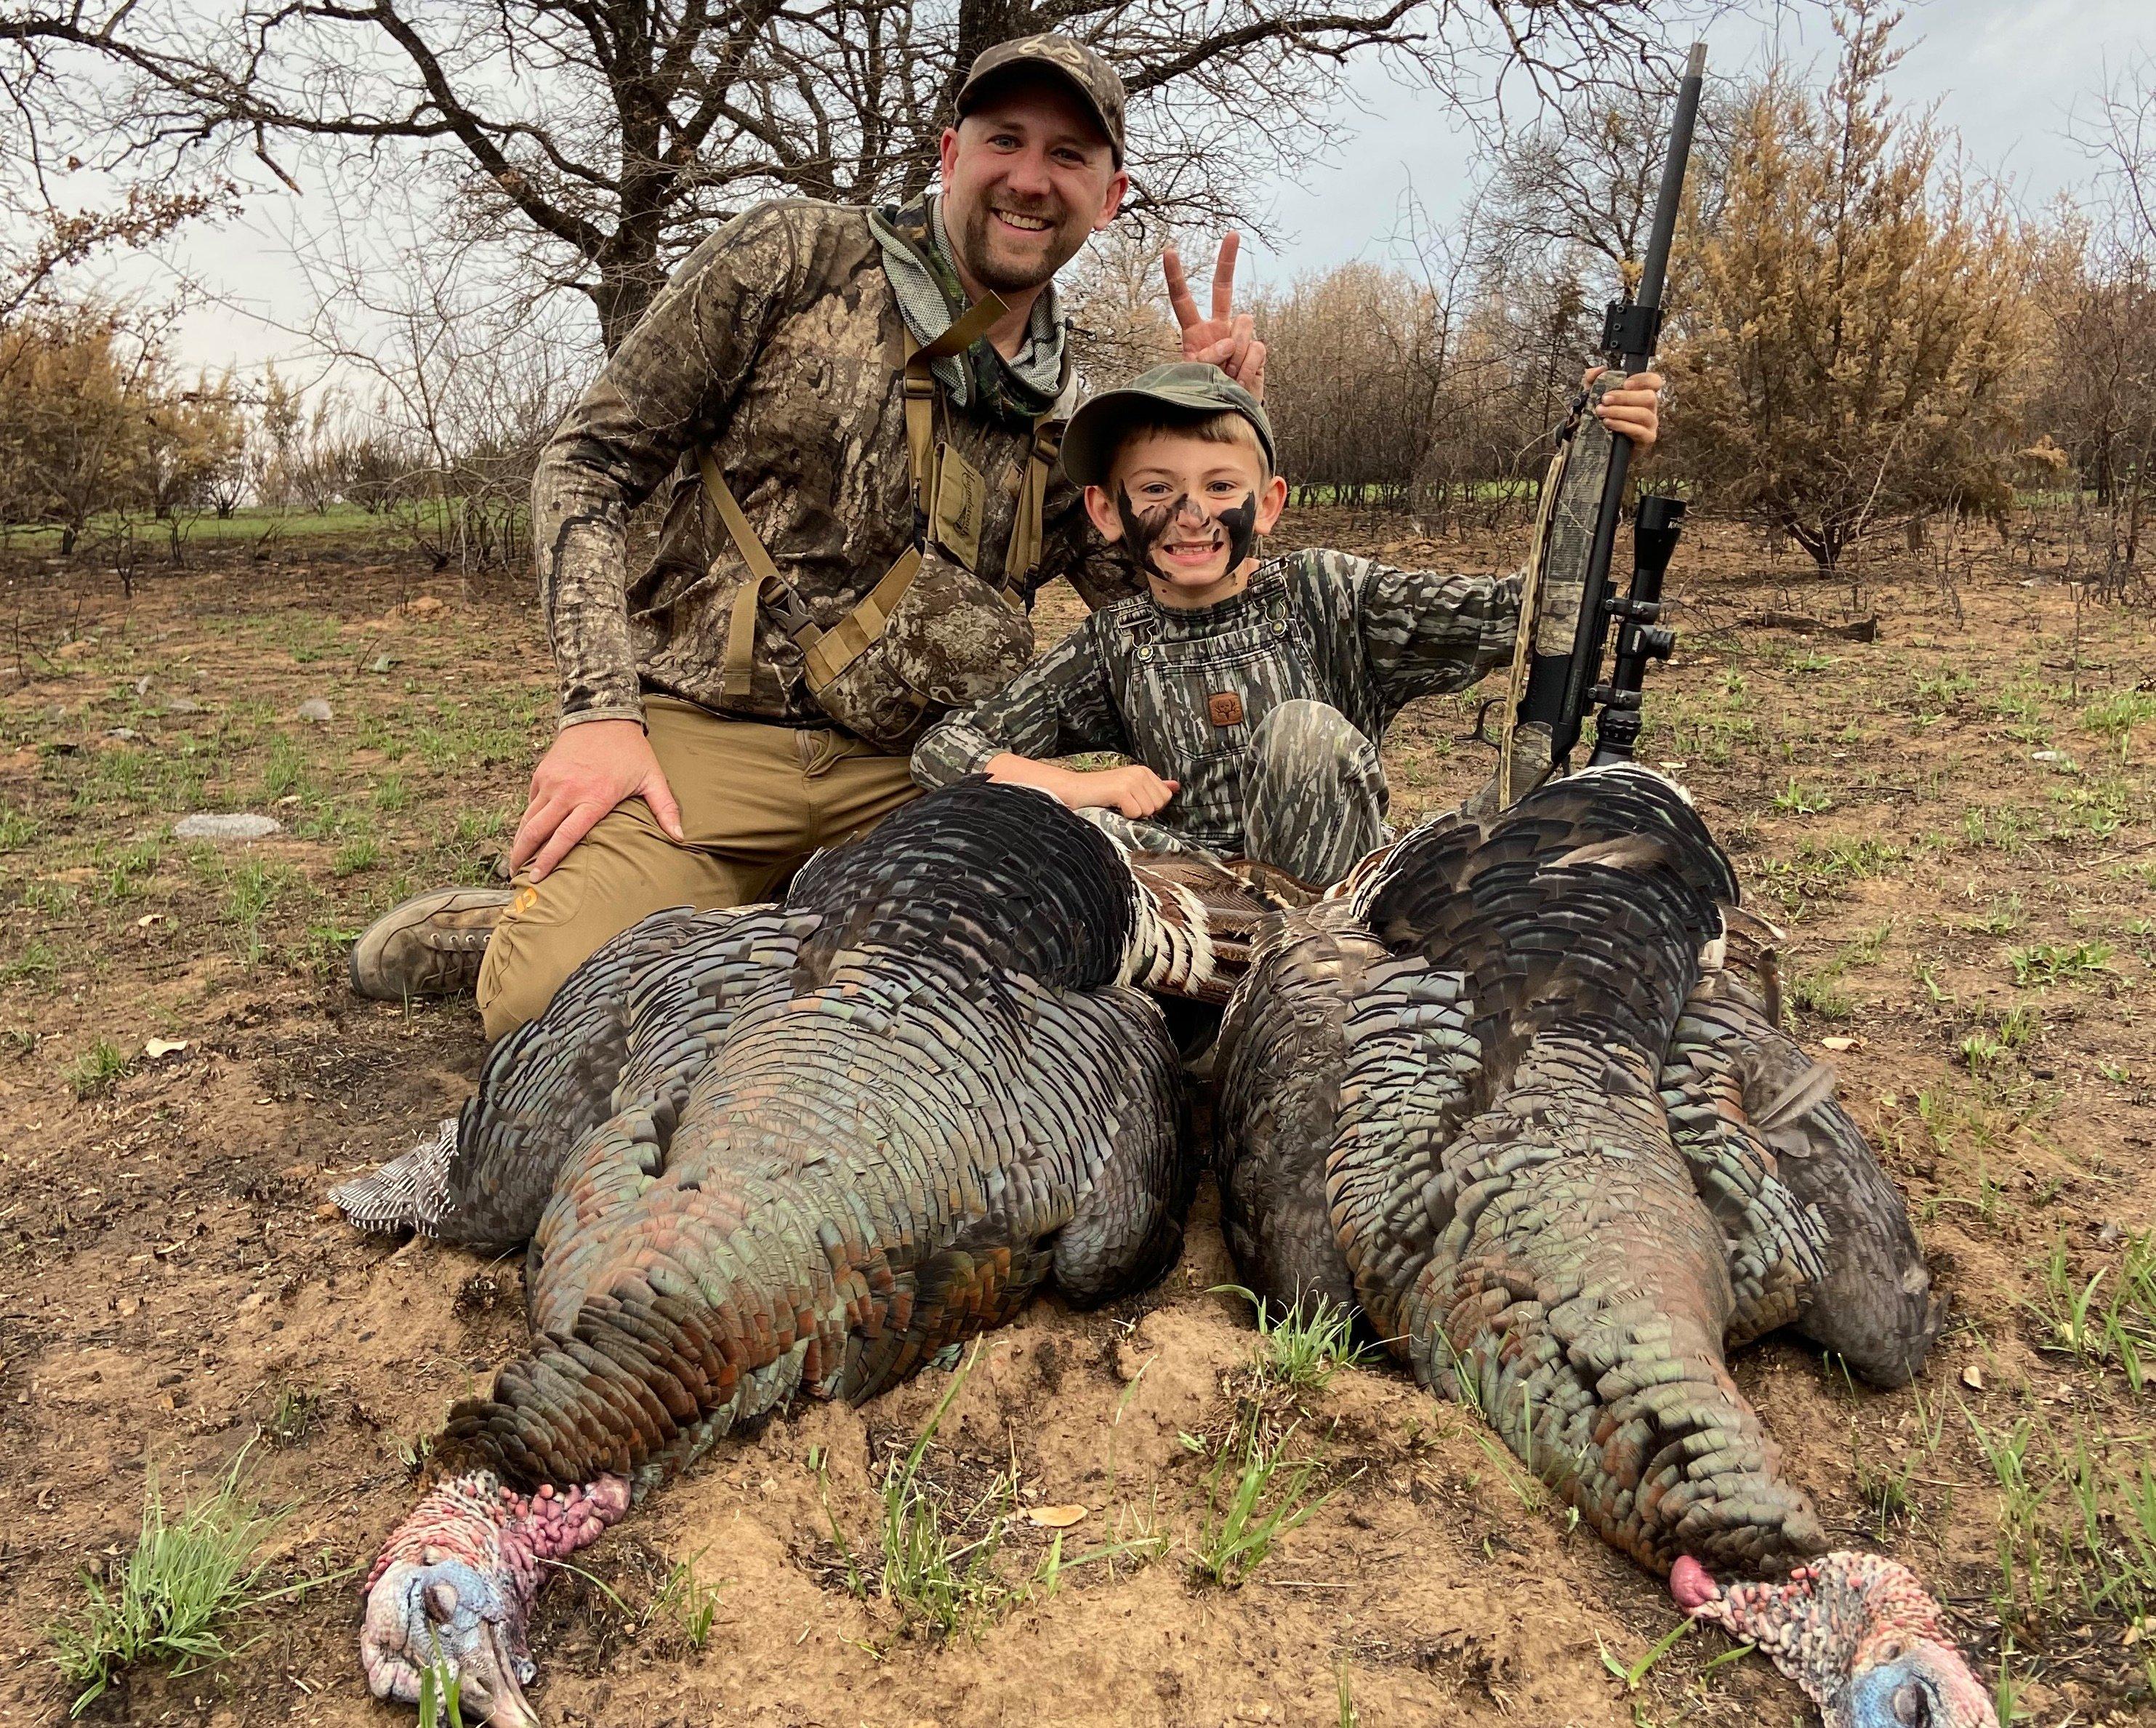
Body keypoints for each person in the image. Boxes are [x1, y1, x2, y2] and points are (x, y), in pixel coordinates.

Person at [347, 33, 1267, 1040]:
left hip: (926, 776)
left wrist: (1206, 440)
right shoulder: (792, 257)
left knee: (1096, 992)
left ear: (1112, 192)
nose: (1030, 179)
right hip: (709, 739)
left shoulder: (1068, 417)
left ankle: (705, 923)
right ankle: (594, 922)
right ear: (951, 152)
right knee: (542, 1009)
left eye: (1068, 157)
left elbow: (1166, 616)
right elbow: (586, 463)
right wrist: (599, 714)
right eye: (1005, 139)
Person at [909, 360, 1662, 886]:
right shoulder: (1115, 643)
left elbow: (1521, 614)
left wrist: (1595, 454)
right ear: (1108, 513)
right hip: (1196, 911)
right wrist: (1083, 786)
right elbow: (943, 751)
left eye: (1218, 487)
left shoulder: (1327, 593)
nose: (1192, 516)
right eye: (1156, 489)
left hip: (1338, 920)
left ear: (1266, 503)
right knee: (1055, 832)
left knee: (1303, 734)